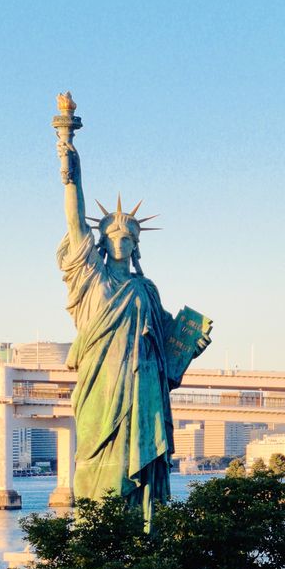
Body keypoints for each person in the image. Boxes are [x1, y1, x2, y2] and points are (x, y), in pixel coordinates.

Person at [54, 92, 212, 527]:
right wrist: (69, 156)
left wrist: (190, 344)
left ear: (136, 244)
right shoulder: (91, 279)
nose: (120, 240)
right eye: (113, 234)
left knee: (144, 469)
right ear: (100, 242)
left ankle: (145, 534)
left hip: (143, 385)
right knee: (97, 457)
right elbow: (74, 217)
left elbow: (167, 348)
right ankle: (98, 532)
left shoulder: (146, 288)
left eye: (128, 236)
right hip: (101, 384)